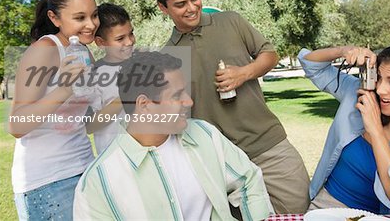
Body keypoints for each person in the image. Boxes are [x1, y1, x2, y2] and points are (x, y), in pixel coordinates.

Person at [151, 0, 310, 213]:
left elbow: (269, 54)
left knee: (299, 210)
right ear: (163, 8)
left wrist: (243, 73)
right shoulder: (166, 58)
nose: (192, 8)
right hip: (219, 164)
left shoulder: (231, 22)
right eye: (180, 4)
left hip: (268, 145)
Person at [73, 51, 274, 220]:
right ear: (145, 105)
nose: (189, 102)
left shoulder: (205, 135)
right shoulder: (98, 182)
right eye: (177, 96)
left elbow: (248, 181)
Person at [298, 43, 390, 214]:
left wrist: (376, 132)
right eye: (379, 78)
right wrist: (342, 51)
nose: (380, 89)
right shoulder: (360, 94)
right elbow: (311, 65)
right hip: (327, 206)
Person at [8, 0, 99, 220]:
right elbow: (17, 125)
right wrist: (65, 89)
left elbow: (86, 119)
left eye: (94, 15)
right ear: (55, 18)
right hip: (49, 181)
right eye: (80, 18)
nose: (91, 24)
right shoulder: (45, 50)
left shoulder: (85, 52)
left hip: (84, 169)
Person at [89, 3, 135, 154]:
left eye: (131, 33)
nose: (129, 42)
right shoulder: (94, 75)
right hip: (114, 159)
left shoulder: (143, 65)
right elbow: (89, 125)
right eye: (120, 38)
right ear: (101, 43)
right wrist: (125, 96)